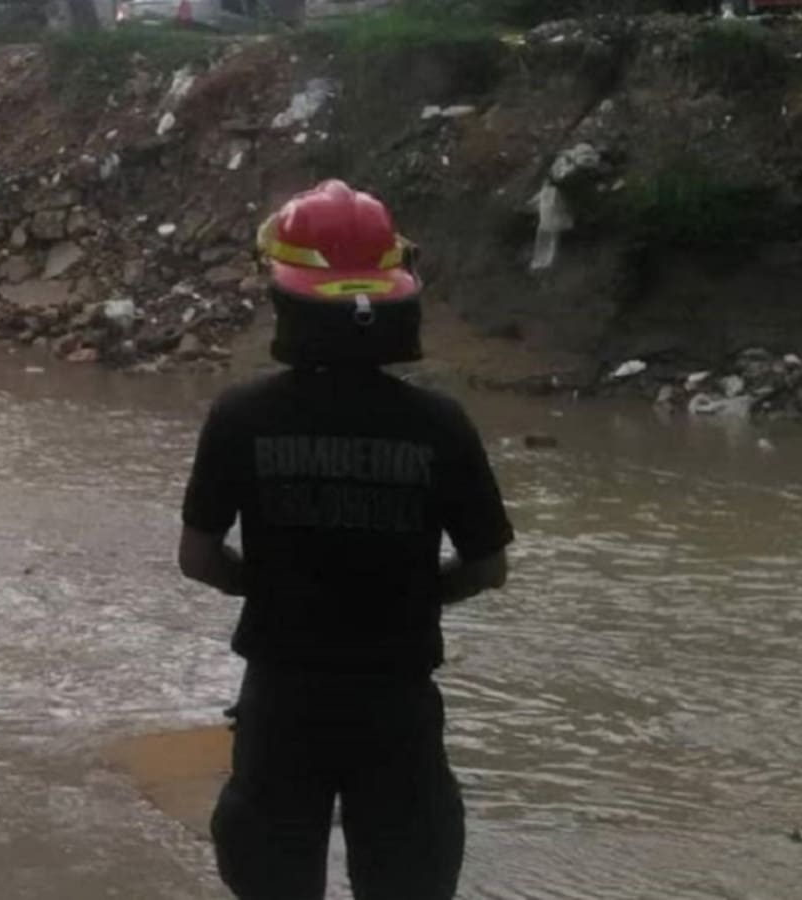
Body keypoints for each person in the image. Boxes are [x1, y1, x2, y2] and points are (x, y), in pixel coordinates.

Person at [178, 180, 514, 900]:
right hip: (397, 709)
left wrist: (270, 586)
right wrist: (417, 594)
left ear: (286, 300)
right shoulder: (440, 424)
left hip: (281, 705)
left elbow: (197, 558)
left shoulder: (241, 416)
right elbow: (489, 567)